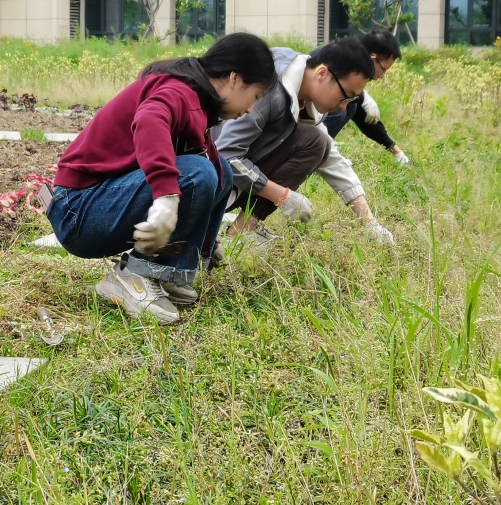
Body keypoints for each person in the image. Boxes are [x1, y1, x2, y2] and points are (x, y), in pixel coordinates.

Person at [46, 32, 278, 325]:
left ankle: (167, 272)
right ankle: (133, 276)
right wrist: (165, 198)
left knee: (220, 171)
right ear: (234, 78)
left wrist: (205, 242)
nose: (250, 109)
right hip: (78, 210)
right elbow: (149, 119)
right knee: (198, 172)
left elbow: (216, 174)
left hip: (95, 203)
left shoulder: (195, 99)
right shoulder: (178, 91)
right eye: (254, 97)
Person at [214, 36, 394, 244]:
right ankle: (229, 236)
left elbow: (332, 158)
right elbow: (225, 155)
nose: (344, 106)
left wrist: (370, 222)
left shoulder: (305, 98)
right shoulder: (269, 88)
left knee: (317, 142)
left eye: (352, 100)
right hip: (208, 183)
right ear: (322, 73)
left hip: (231, 179)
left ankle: (242, 230)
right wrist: (282, 195)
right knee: (315, 141)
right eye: (346, 95)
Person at [319, 30, 410, 165]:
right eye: (383, 69)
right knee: (342, 108)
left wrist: (394, 149)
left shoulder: (352, 67)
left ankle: (323, 147)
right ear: (373, 58)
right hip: (296, 123)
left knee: (351, 106)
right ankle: (318, 148)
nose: (382, 76)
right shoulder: (340, 61)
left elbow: (363, 115)